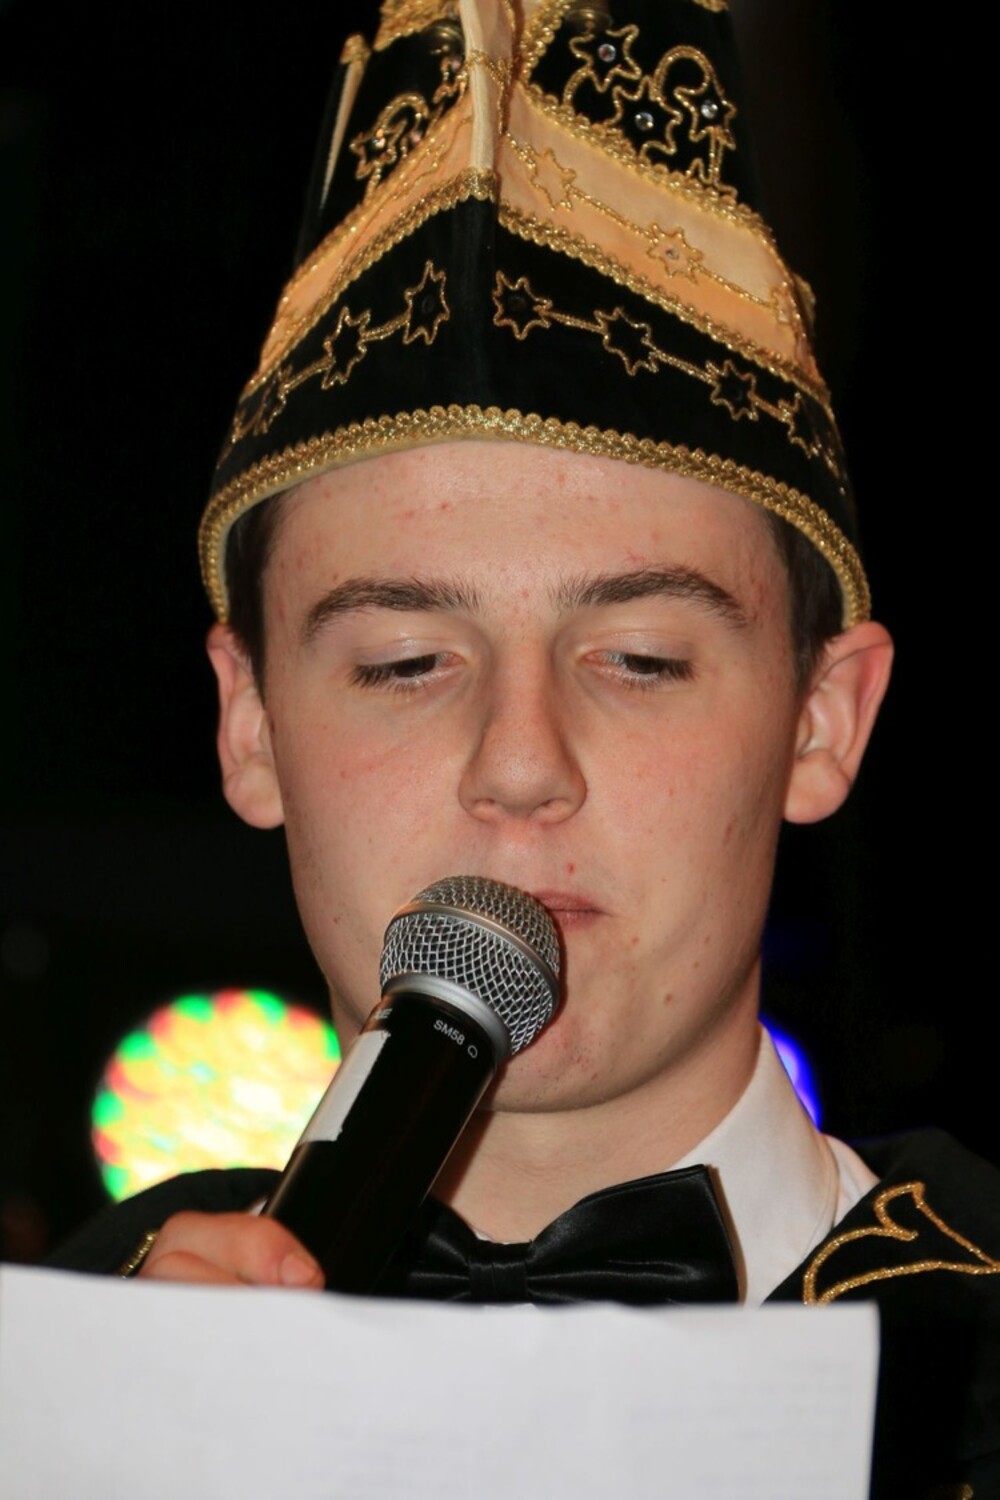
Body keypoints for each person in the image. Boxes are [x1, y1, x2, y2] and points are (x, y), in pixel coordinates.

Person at [49, 1, 1000, 1492]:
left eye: (640, 659)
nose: (519, 763)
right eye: (405, 663)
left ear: (824, 720)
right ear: (250, 726)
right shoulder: (62, 1385)